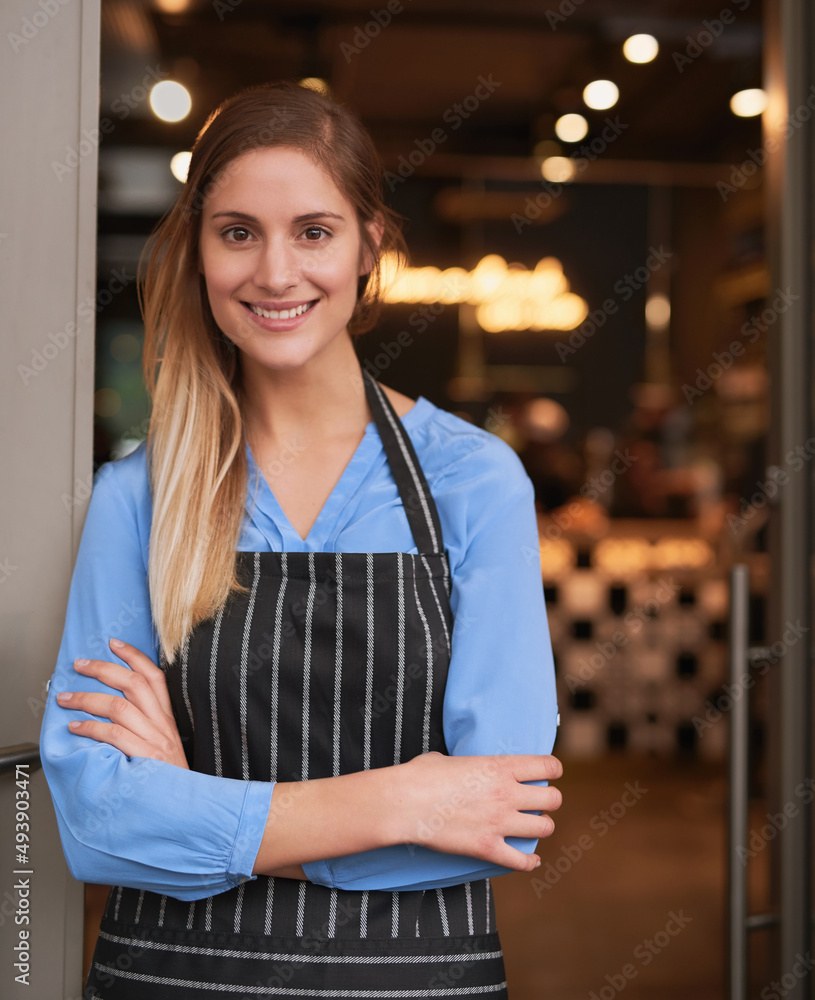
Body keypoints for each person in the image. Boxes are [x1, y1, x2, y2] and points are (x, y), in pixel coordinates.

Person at [40, 80, 562, 999]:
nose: (275, 273)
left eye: (313, 231)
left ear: (371, 245)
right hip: (172, 979)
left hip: (410, 980)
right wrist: (405, 799)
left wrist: (195, 808)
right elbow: (95, 823)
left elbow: (499, 815)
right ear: (198, 250)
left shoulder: (473, 483)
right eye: (237, 231)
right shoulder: (139, 497)